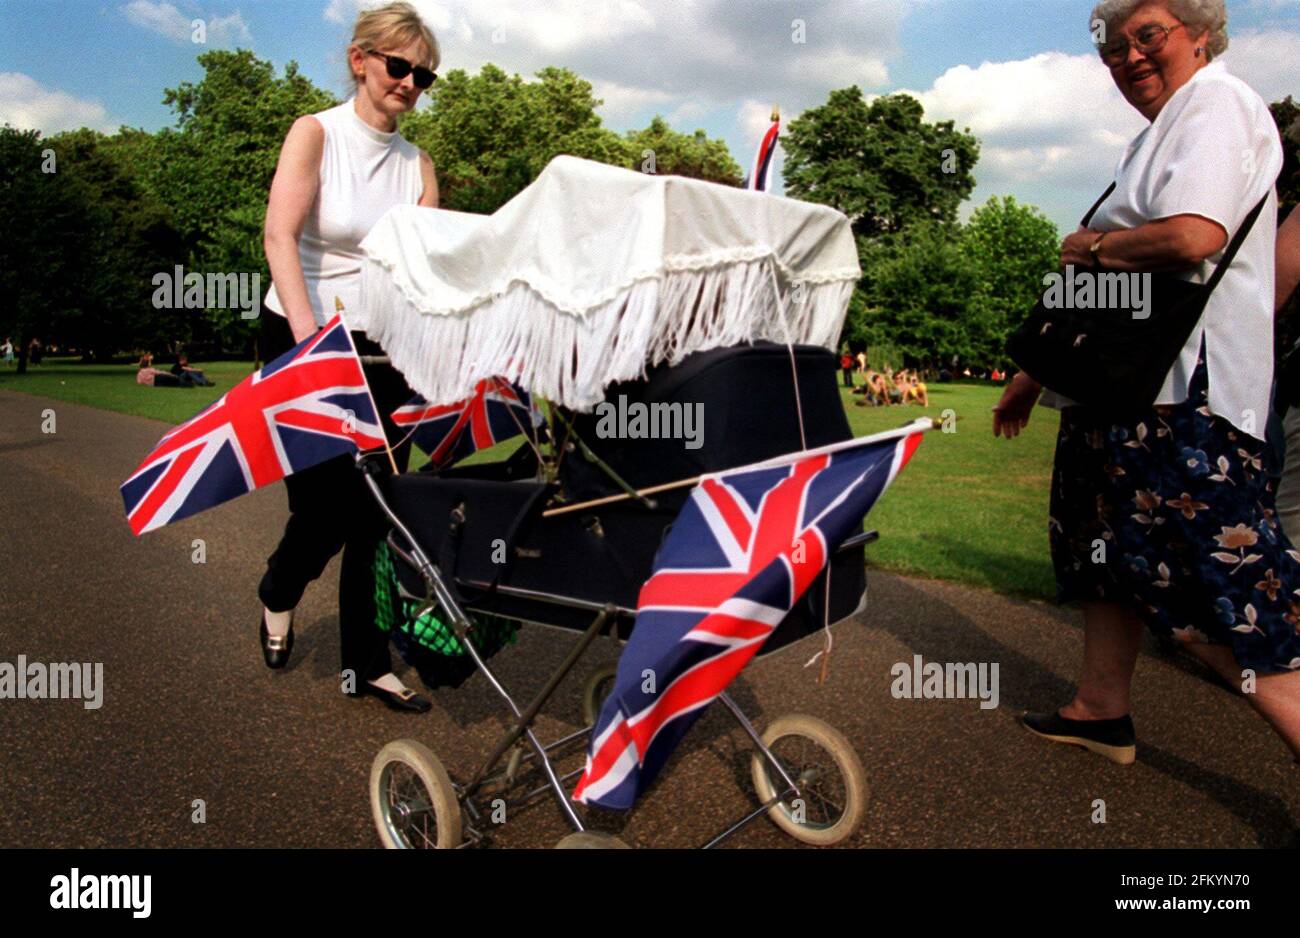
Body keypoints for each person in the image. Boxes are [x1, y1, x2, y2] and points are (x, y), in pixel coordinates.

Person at [994, 0, 1300, 766]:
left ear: (1200, 35)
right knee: (1098, 549)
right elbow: (1112, 291)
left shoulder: (1218, 104)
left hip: (1182, 398)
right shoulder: (1153, 138)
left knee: (1214, 590)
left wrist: (1096, 246)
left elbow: (1194, 235)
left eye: (1148, 36)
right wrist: (1033, 373)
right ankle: (1100, 709)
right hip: (1123, 390)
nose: (1129, 56)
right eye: (1113, 46)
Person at [257, 1, 441, 712]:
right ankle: (279, 590)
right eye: (399, 66)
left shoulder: (418, 165)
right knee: (322, 511)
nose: (409, 83)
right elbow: (280, 238)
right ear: (361, 60)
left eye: (423, 76)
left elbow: (419, 271)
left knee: (376, 512)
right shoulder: (316, 134)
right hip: (302, 338)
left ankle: (367, 663)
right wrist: (311, 348)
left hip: (382, 351)